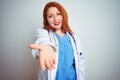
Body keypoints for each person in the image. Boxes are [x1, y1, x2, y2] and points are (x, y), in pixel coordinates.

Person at [29, 1, 85, 80]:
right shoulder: (44, 34)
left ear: (63, 15)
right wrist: (45, 48)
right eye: (50, 16)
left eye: (58, 14)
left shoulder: (75, 39)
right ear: (46, 19)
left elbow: (80, 64)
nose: (55, 19)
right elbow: (41, 43)